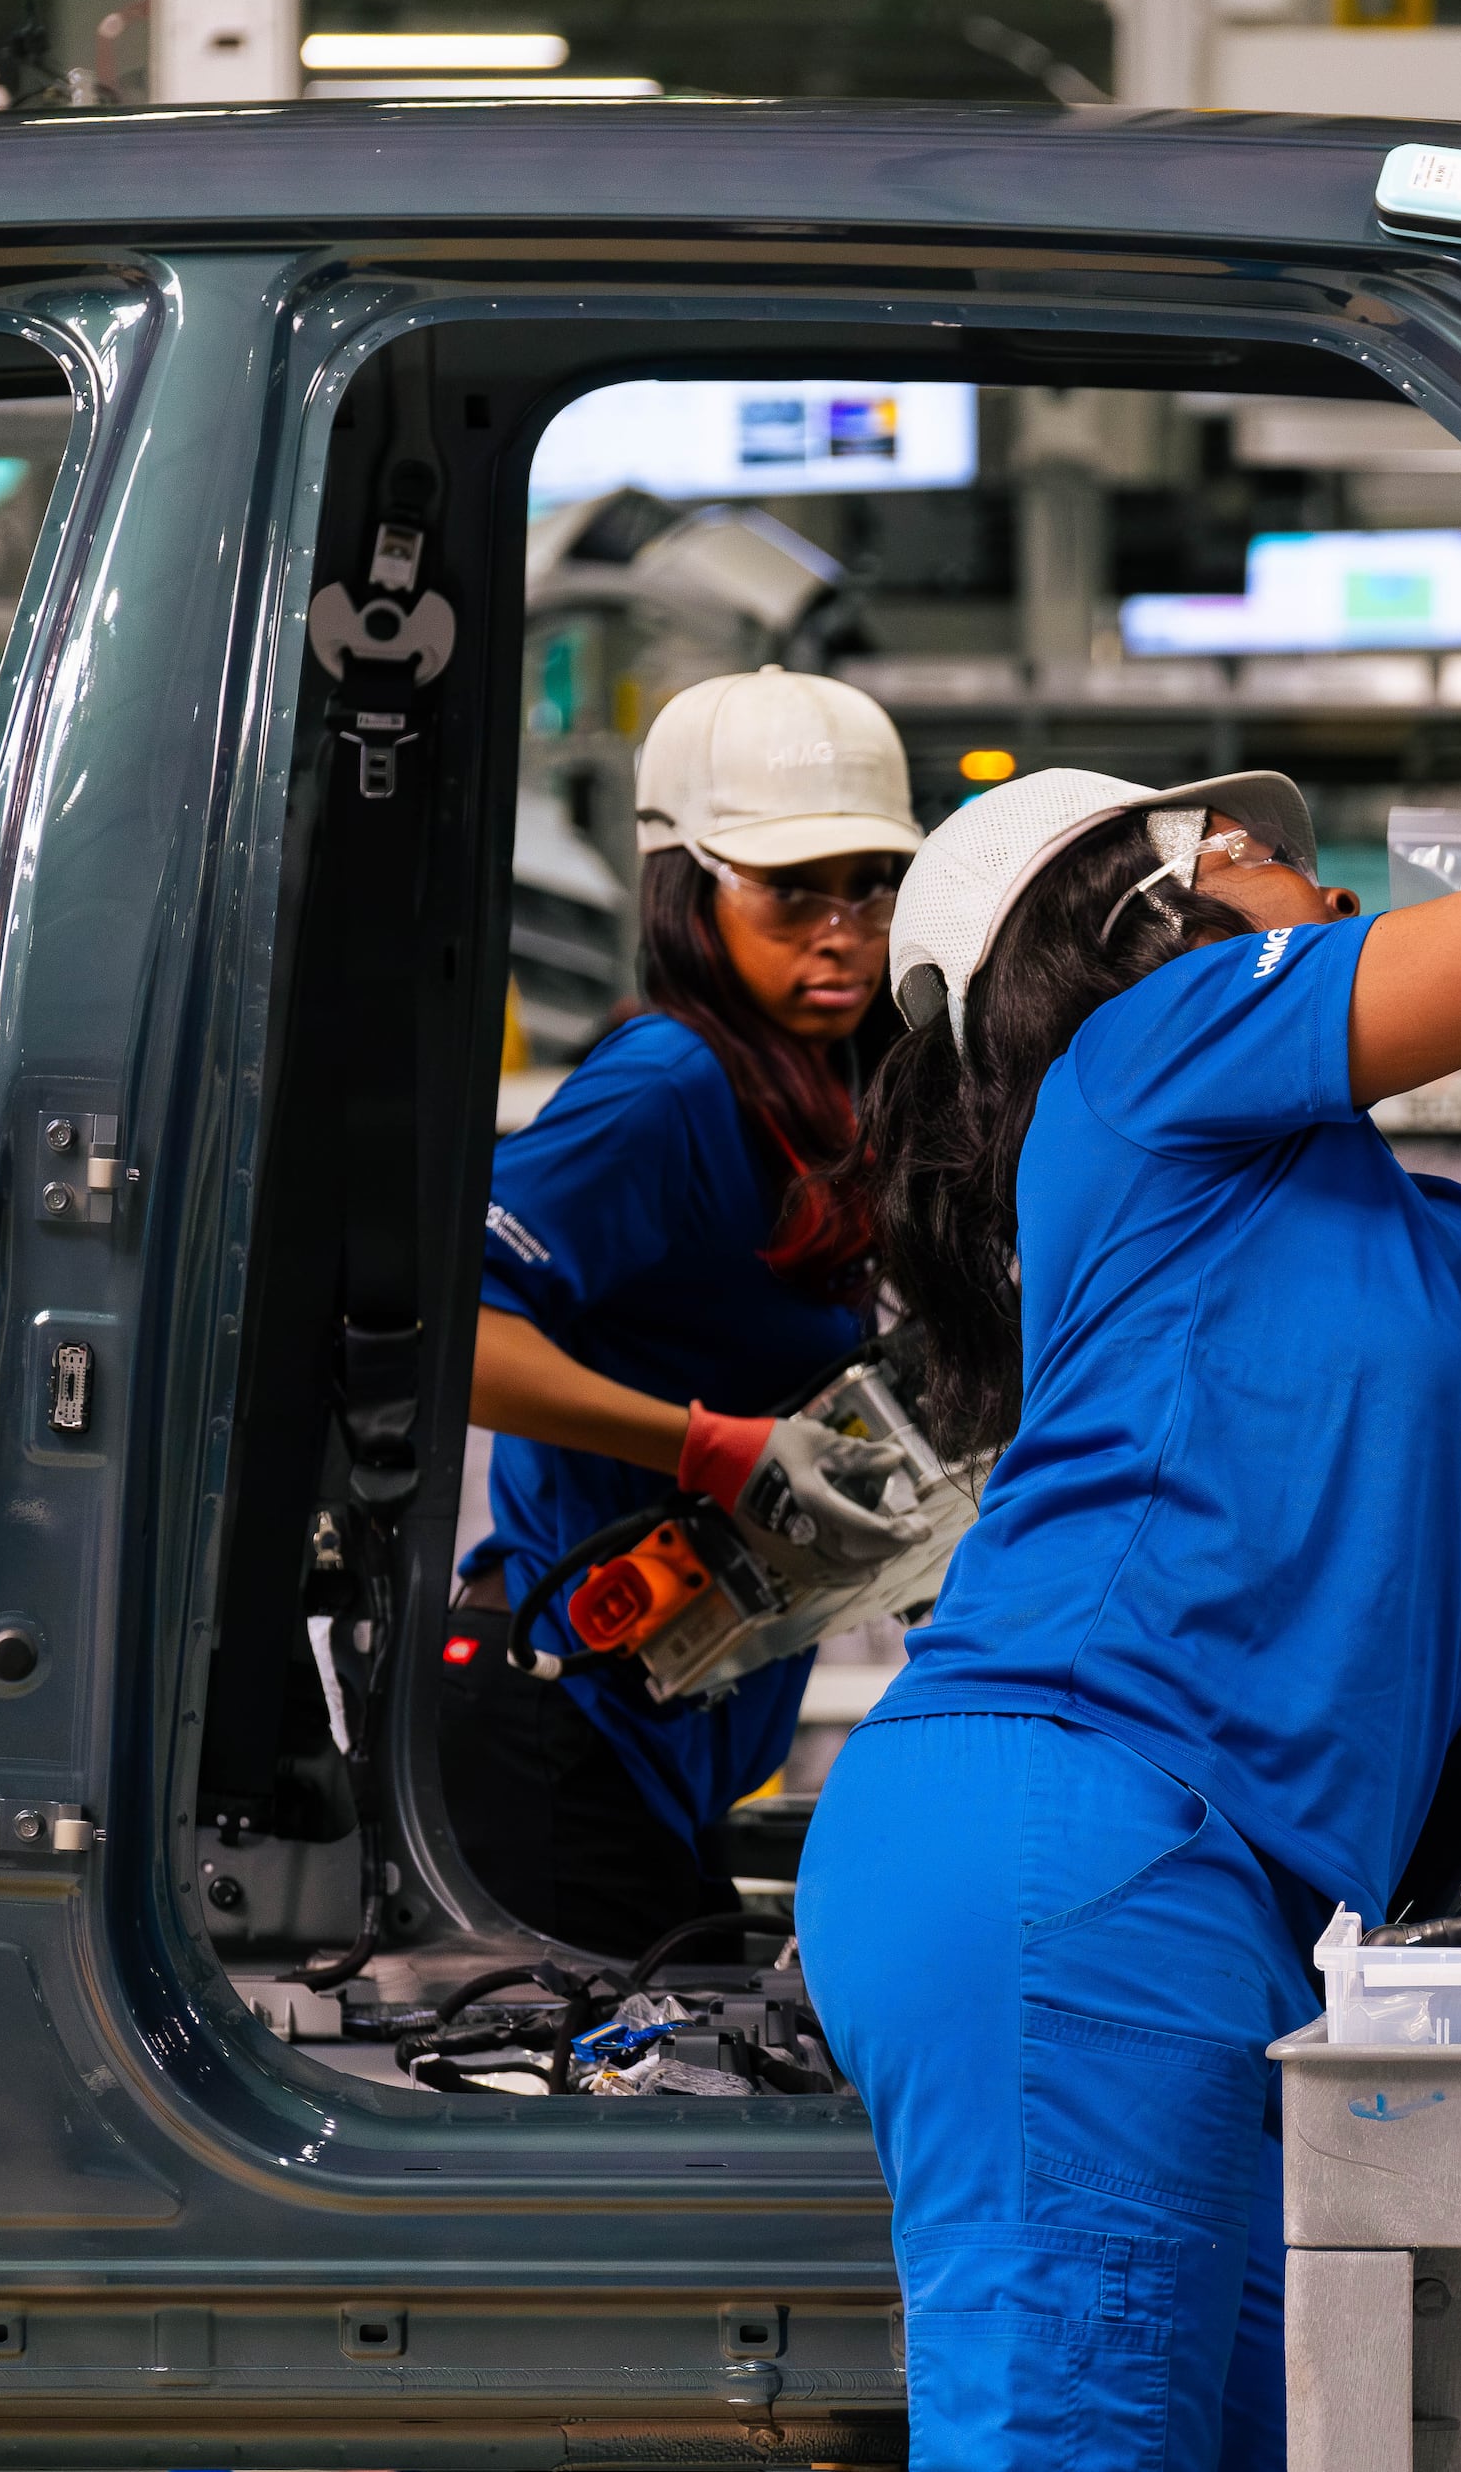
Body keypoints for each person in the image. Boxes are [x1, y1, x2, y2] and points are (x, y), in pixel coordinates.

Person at [795, 703, 1461, 2471]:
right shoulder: (1139, 1058)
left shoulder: (1451, 1253)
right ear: (1133, 916)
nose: (1325, 885)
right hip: (1072, 1838)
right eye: (1265, 855)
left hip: (1222, 1900)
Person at [446, 665, 931, 1957]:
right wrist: (711, 1446)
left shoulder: (835, 1087)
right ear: (689, 888)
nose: (843, 933)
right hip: (556, 1723)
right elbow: (457, 1337)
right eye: (793, 891)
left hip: (666, 1730)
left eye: (872, 887)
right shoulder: (666, 1085)